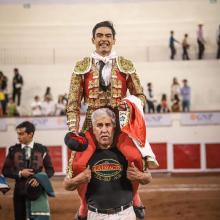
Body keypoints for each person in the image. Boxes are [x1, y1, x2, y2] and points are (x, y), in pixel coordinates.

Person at [66, 21, 150, 219]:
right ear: (93, 39)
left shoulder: (126, 65)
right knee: (78, 165)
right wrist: (73, 130)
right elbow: (73, 102)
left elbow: (141, 96)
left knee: (136, 158)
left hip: (120, 125)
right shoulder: (81, 67)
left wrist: (129, 105)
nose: (104, 39)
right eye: (100, 35)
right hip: (92, 124)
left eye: (108, 36)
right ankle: (84, 204)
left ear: (114, 39)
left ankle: (135, 196)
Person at [64, 108, 152, 220]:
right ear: (93, 129)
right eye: (99, 125)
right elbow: (67, 185)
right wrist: (77, 180)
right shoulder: (85, 155)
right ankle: (83, 207)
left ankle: (136, 198)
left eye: (108, 125)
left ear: (114, 127)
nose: (104, 130)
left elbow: (148, 177)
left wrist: (140, 176)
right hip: (95, 215)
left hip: (125, 214)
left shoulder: (126, 152)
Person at [2, 121, 54, 220]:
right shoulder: (13, 150)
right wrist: (20, 173)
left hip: (37, 191)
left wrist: (40, 179)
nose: (18, 137)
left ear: (30, 134)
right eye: (18, 134)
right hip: (19, 192)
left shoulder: (42, 149)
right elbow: (5, 170)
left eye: (21, 134)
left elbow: (50, 170)